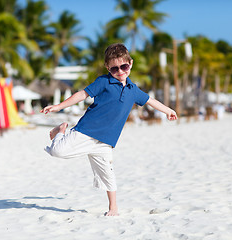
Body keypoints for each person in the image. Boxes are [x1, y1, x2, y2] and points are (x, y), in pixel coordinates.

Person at [40, 43, 177, 216]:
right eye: (114, 69)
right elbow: (82, 94)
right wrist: (59, 106)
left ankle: (113, 208)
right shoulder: (104, 82)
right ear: (107, 67)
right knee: (57, 151)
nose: (120, 71)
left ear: (130, 64)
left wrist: (168, 111)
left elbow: (150, 100)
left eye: (124, 66)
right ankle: (60, 130)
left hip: (106, 141)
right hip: (87, 131)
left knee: (108, 175)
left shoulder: (132, 90)